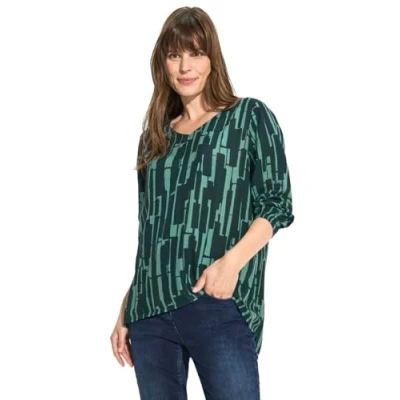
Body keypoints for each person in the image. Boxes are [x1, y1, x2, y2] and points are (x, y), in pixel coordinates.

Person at [110, 6, 295, 399]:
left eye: (195, 53)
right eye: (174, 55)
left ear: (213, 58)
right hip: (150, 311)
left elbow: (276, 202)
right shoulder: (154, 140)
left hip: (216, 302)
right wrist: (129, 303)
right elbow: (152, 232)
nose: (185, 66)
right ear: (162, 64)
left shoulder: (248, 118)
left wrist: (231, 264)